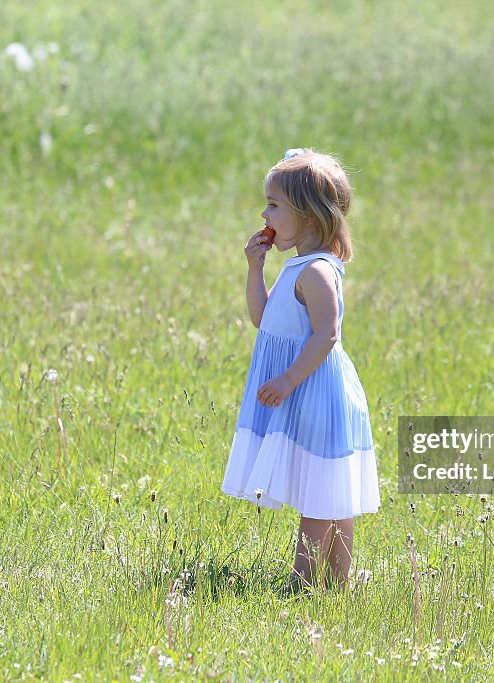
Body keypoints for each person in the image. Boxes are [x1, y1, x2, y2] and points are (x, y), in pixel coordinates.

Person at [220, 148, 381, 595]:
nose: (264, 212)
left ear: (307, 216)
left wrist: (290, 378)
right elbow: (262, 317)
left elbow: (326, 334)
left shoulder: (316, 272)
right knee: (329, 490)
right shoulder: (297, 266)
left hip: (316, 391)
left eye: (274, 204)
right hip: (306, 390)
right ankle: (336, 583)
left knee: (321, 496)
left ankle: (305, 584)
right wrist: (256, 269)